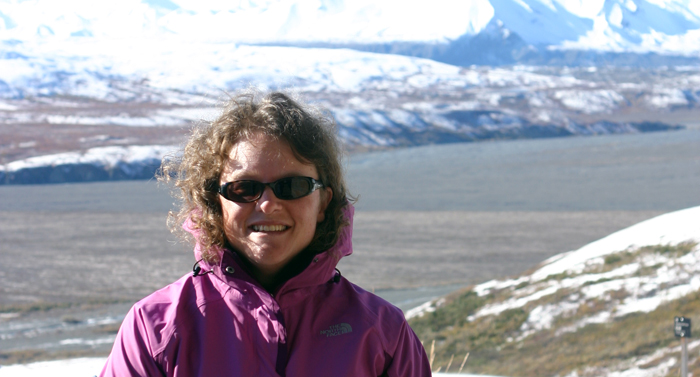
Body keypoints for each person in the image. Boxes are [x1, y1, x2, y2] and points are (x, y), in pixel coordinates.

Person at [101, 90, 431, 376]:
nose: (268, 204)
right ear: (214, 202)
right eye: (244, 188)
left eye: (292, 186)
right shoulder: (157, 327)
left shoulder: (382, 332)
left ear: (323, 203)